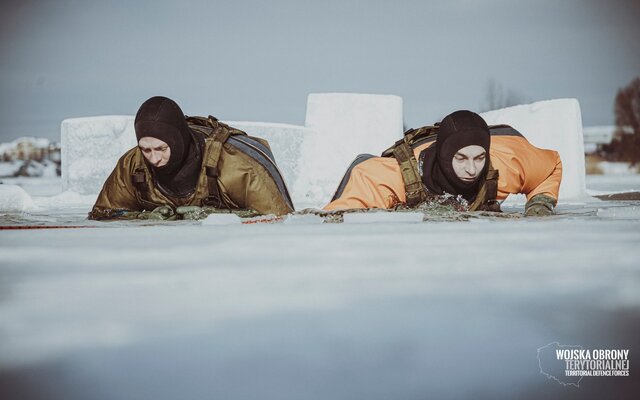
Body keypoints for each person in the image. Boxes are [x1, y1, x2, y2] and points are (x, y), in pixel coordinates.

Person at [89, 96, 294, 220]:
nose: (154, 158)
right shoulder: (133, 164)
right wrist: (143, 217)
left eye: (161, 148)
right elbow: (105, 214)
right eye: (146, 149)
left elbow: (280, 220)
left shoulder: (238, 166)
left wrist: (221, 218)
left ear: (178, 141)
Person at [324, 110, 562, 216]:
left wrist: (541, 203)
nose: (471, 170)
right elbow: (341, 219)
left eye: (479, 158)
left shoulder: (507, 163)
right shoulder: (389, 177)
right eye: (461, 159)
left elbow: (551, 167)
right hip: (371, 167)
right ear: (448, 157)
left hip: (506, 139)